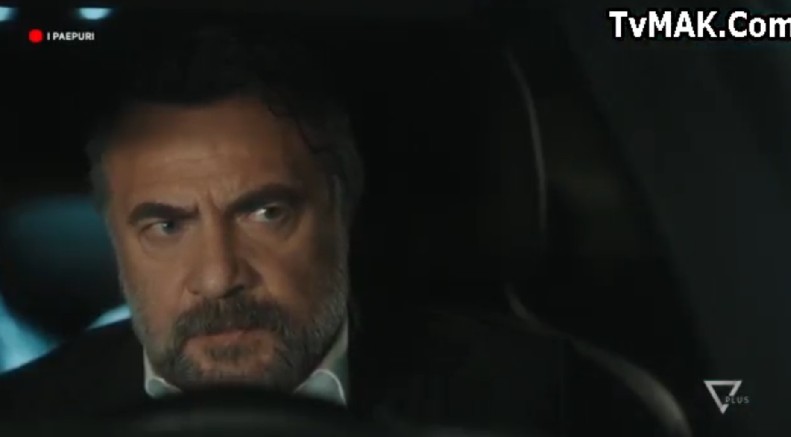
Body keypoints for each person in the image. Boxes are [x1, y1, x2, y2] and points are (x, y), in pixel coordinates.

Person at [0, 28, 671, 436]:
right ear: (115, 241)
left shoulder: (556, 404)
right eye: (167, 225)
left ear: (341, 210)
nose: (219, 275)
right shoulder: (27, 419)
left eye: (266, 213)